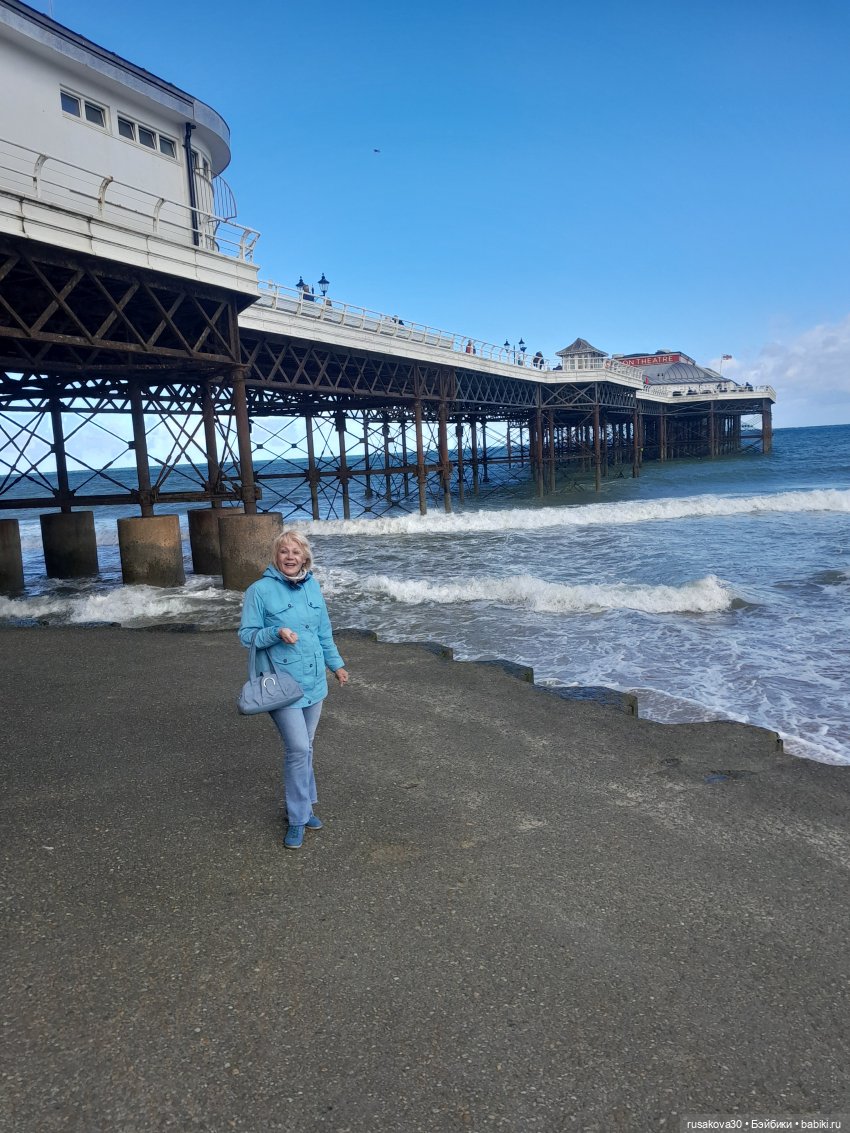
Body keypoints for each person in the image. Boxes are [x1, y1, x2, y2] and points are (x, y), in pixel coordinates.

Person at [239, 529, 349, 849]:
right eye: (284, 551)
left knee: (307, 746)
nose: (290, 556)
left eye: (296, 551)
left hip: (314, 680)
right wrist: (276, 632)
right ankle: (298, 817)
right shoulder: (259, 591)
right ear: (276, 556)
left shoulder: (313, 585)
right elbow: (246, 635)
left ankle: (305, 805)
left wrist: (336, 665)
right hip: (281, 683)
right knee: (298, 749)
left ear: (305, 557)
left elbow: (324, 632)